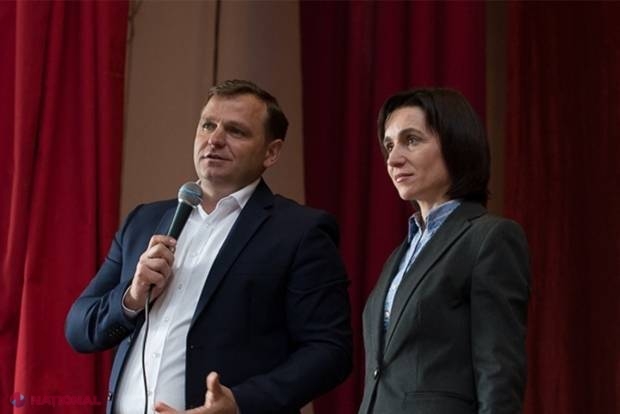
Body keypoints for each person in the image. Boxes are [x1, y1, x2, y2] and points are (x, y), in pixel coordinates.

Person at [65, 79, 352, 414]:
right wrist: (132, 297)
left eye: (236, 131)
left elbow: (329, 351)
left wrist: (240, 403)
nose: (214, 139)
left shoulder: (300, 232)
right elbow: (79, 329)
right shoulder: (143, 221)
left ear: (271, 152)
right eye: (207, 125)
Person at [358, 88, 530, 414]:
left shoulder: (489, 238)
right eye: (389, 145)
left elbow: (499, 370)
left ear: (455, 144)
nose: (393, 159)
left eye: (411, 140)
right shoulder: (399, 254)